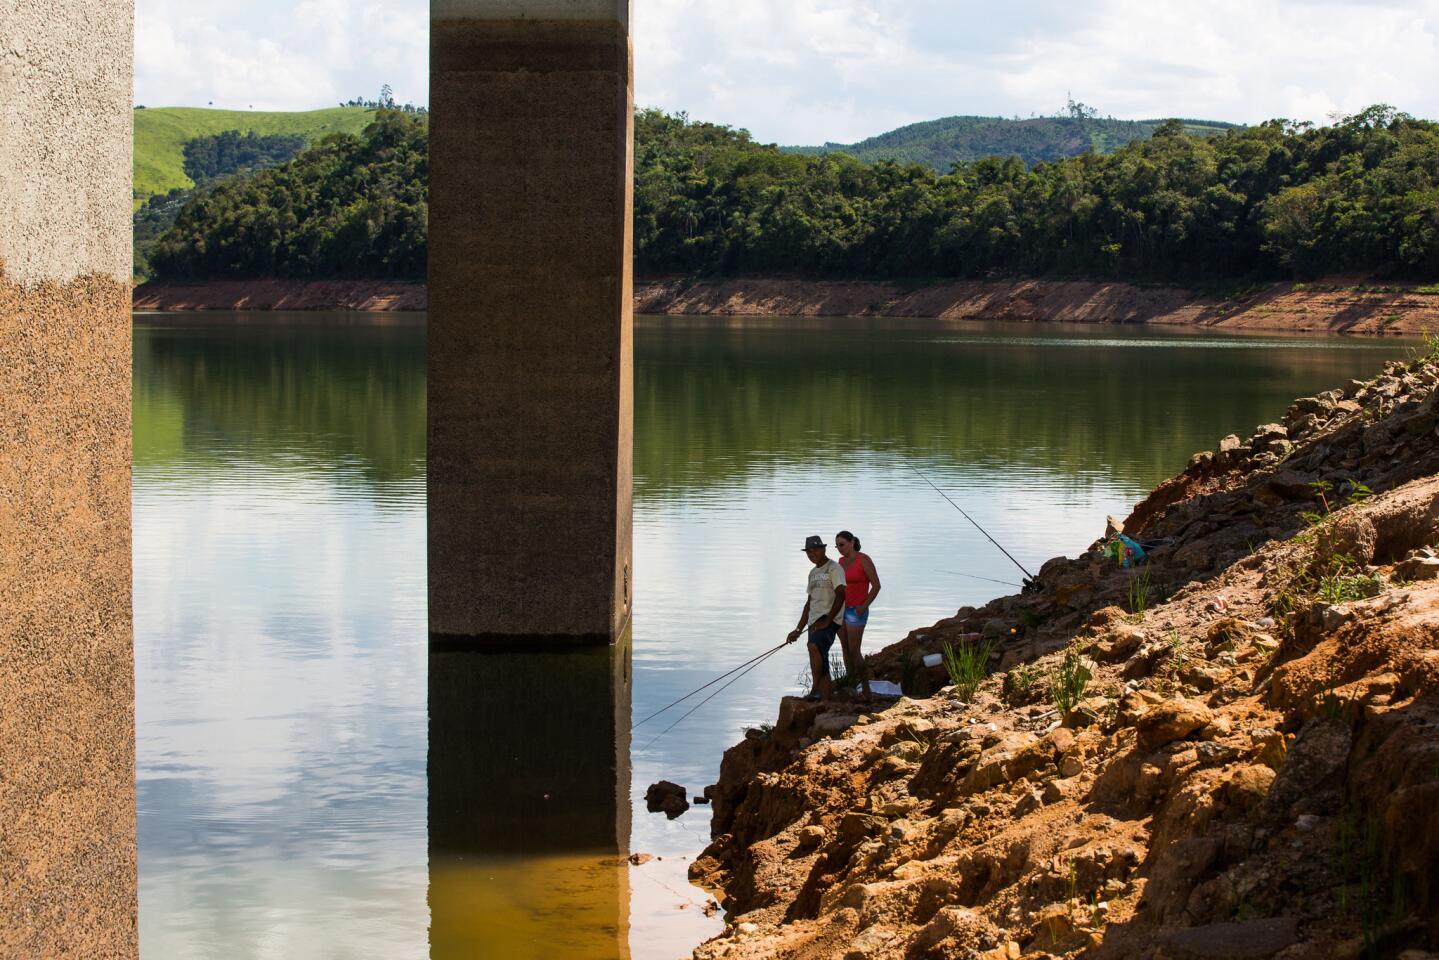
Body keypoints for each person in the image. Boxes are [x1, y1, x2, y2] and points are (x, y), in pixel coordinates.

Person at [786, 535, 846, 701]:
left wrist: (828, 620)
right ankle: (825, 701)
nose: (812, 554)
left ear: (823, 549)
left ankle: (815, 689)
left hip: (829, 619)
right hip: (813, 622)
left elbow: (841, 594)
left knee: (813, 646)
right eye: (808, 552)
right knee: (820, 656)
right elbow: (809, 603)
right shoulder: (812, 573)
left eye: (815, 550)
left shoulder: (833, 568)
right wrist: (798, 629)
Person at [835, 530, 880, 696]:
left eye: (842, 544)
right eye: (837, 546)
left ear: (851, 542)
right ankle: (852, 684)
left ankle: (866, 686)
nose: (839, 548)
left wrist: (864, 605)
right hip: (841, 610)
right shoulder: (840, 562)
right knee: (845, 648)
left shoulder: (864, 560)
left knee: (855, 650)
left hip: (856, 610)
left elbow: (876, 586)